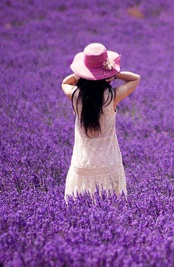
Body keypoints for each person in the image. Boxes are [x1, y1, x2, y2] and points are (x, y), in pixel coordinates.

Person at [61, 43, 140, 201]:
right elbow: (135, 79)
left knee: (81, 205)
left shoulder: (75, 95)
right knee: (111, 205)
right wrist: (113, 73)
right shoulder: (111, 97)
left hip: (82, 160)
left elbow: (65, 83)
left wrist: (79, 76)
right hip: (108, 159)